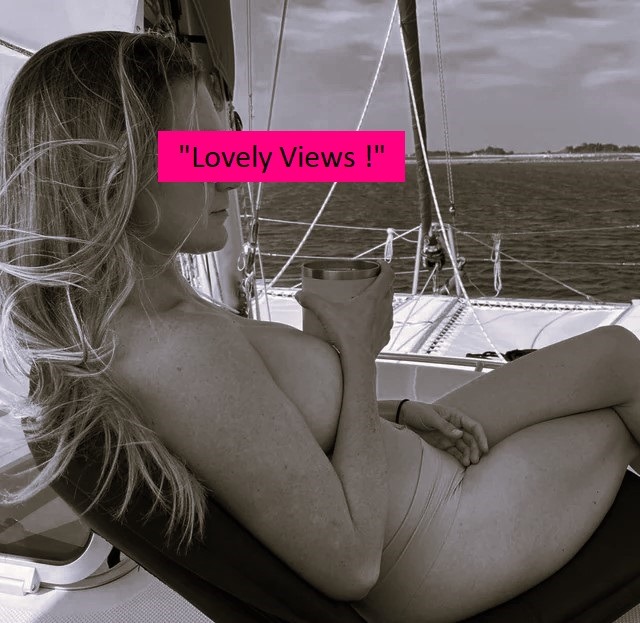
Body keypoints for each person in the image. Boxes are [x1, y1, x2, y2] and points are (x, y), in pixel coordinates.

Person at [1, 31, 639, 623]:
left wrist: (394, 411)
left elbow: (261, 436)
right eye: (198, 151)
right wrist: (358, 352)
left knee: (615, 354)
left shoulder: (148, 316)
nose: (233, 172)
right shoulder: (174, 347)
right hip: (444, 535)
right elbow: (351, 564)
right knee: (617, 411)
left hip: (407, 472)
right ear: (110, 170)